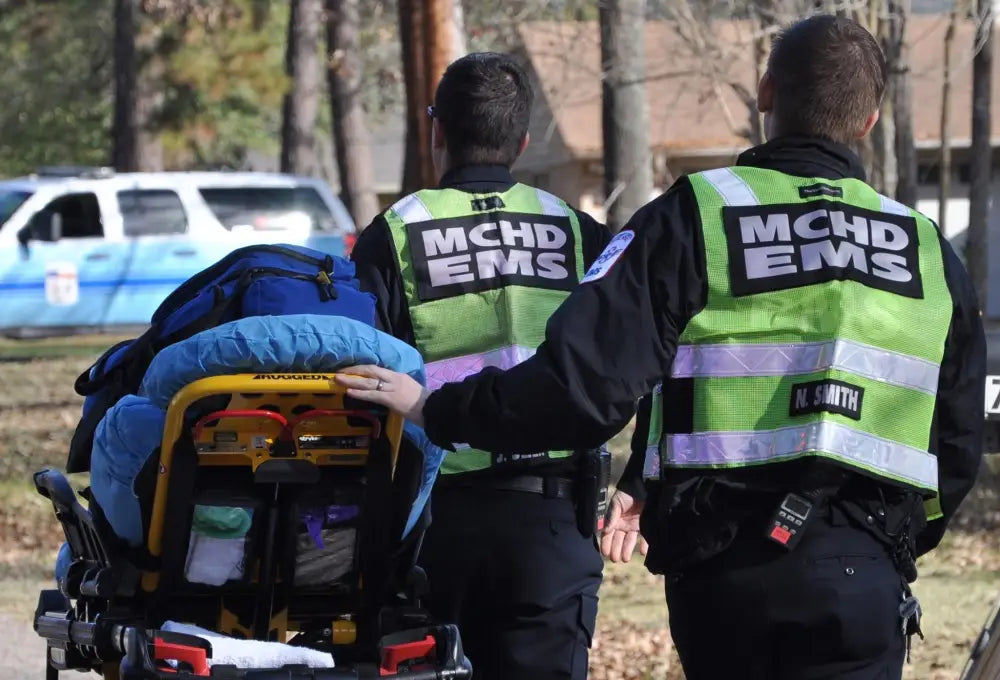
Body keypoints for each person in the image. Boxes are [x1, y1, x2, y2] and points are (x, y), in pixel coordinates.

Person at [337, 15, 986, 680]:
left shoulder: (696, 214)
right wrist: (895, 540)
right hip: (865, 568)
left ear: (765, 92)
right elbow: (958, 437)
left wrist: (441, 412)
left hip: (727, 569)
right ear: (872, 119)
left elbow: (587, 384)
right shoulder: (924, 245)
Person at [349, 52, 613, 679]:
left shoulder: (394, 233)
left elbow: (367, 374)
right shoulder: (577, 232)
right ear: (522, 141)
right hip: (555, 521)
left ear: (436, 131)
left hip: (437, 524)